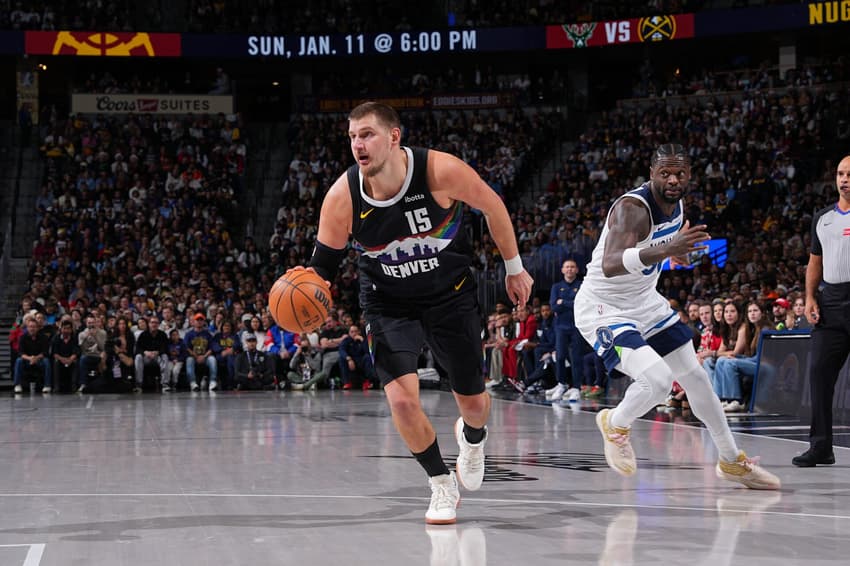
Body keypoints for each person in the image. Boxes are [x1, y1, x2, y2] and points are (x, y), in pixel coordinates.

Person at [293, 102, 532, 524]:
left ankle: (473, 437)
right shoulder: (342, 197)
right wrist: (303, 290)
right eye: (352, 137)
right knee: (402, 401)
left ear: (393, 137)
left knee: (474, 404)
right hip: (387, 303)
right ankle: (440, 481)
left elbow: (493, 206)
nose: (358, 144)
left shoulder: (439, 171)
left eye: (367, 134)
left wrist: (514, 268)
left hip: (450, 296)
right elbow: (323, 268)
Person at [574, 143, 779, 489]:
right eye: (665, 173)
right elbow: (610, 264)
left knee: (696, 378)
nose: (673, 179)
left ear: (689, 175)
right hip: (604, 308)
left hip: (645, 302)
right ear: (651, 173)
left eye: (679, 173)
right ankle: (616, 423)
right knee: (658, 382)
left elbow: (652, 253)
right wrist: (666, 249)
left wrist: (673, 257)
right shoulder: (632, 209)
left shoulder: (677, 204)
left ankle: (731, 460)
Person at [793, 155, 850, 467]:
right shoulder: (823, 218)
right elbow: (815, 262)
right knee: (818, 373)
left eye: (849, 175)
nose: (844, 180)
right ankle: (821, 447)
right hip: (831, 302)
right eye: (841, 174)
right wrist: (810, 297)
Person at [548, 258, 583, 402]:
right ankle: (561, 384)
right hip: (561, 327)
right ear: (562, 270)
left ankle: (576, 388)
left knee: (576, 358)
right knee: (560, 356)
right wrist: (569, 304)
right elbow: (553, 307)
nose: (569, 269)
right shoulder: (556, 287)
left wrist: (563, 302)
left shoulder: (581, 286)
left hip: (576, 327)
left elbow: (581, 305)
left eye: (572, 267)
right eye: (567, 267)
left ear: (577, 270)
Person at [134, 316, 170, 393]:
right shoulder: (143, 335)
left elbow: (166, 348)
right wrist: (145, 352)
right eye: (152, 322)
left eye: (156, 323)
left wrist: (158, 352)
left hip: (158, 357)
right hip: (146, 358)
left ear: (158, 324)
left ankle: (165, 384)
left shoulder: (162, 335)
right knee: (138, 357)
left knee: (165, 356)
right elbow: (138, 348)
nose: (154, 324)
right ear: (149, 324)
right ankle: (138, 385)